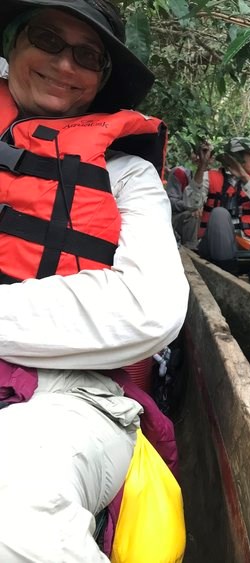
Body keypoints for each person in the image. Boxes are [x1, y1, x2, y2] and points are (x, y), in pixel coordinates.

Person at [0, 0, 188, 560]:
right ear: (12, 47)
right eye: (48, 41)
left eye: (86, 56)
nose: (64, 65)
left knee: (13, 495)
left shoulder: (128, 176)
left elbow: (148, 309)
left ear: (101, 82)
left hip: (74, 396)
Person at [192, 136, 250, 273]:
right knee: (219, 213)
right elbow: (190, 204)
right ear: (238, 158)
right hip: (214, 245)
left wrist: (244, 177)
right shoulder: (207, 177)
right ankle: (227, 275)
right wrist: (201, 167)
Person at [165, 139, 212, 248]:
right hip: (179, 218)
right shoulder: (180, 172)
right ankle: (191, 249)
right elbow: (171, 202)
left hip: (203, 217)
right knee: (192, 216)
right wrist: (190, 207)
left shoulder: (210, 175)